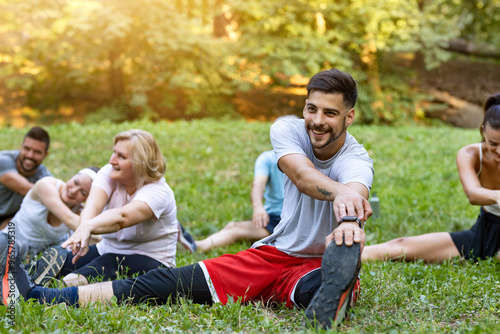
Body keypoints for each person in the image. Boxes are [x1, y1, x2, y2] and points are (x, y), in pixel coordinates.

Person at [2, 68, 374, 329]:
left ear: (350, 117)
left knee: (323, 276)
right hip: (271, 254)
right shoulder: (288, 129)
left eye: (331, 113)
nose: (318, 121)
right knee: (169, 283)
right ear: (304, 107)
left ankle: (334, 287)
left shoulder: (356, 159)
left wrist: (348, 215)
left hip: (316, 261)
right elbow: (302, 176)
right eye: (312, 109)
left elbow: (356, 188)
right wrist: (341, 194)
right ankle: (41, 296)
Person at [28, 129, 181, 287]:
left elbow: (122, 218)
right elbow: (92, 206)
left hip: (154, 261)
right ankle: (15, 279)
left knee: (107, 263)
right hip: (107, 248)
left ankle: (57, 291)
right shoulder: (109, 172)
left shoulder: (158, 191)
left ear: (140, 163)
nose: (112, 160)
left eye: (121, 156)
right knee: (63, 260)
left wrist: (87, 226)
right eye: (114, 152)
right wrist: (83, 232)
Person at [362, 93, 500, 263]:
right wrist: (496, 196)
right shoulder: (470, 154)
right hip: (484, 232)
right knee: (400, 246)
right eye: (493, 144)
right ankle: (333, 257)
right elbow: (473, 194)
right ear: (483, 132)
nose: (499, 151)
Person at [194, 149, 284, 252]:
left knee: (234, 229)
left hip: (290, 220)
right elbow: (258, 185)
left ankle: (196, 246)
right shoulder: (267, 158)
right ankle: (195, 246)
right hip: (273, 219)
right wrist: (258, 207)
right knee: (233, 227)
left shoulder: (304, 157)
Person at [0, 167, 97, 262]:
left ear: (87, 199)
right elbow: (68, 219)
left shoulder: (80, 212)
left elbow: (95, 239)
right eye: (75, 182)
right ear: (72, 176)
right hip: (9, 241)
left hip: (37, 258)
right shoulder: (46, 185)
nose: (73, 191)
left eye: (82, 193)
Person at [0, 127, 51, 230]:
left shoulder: (45, 177)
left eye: (37, 152)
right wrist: (50, 195)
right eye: (27, 149)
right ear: (21, 146)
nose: (30, 155)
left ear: (45, 154)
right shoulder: (3, 160)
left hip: (11, 217)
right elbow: (22, 187)